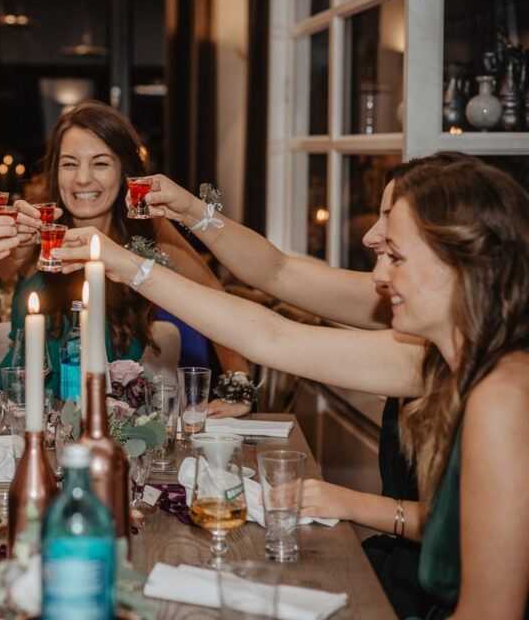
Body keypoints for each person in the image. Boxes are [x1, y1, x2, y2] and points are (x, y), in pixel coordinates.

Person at [54, 160, 529, 620]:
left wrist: (130, 265)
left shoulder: (501, 394)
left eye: (395, 254)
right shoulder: (447, 358)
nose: (378, 272)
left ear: (461, 263)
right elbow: (275, 299)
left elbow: (490, 610)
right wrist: (178, 226)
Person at [143, 152, 476, 617]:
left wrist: (130, 268)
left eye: (389, 222)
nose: (369, 236)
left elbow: (273, 337)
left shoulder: (465, 366)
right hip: (404, 567)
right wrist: (194, 212)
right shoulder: (407, 302)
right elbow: (278, 271)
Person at [0, 100, 252, 417]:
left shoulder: (147, 231)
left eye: (100, 163)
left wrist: (238, 388)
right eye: (69, 164)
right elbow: (0, 267)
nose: (82, 178)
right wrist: (14, 237)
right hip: (22, 413)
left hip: (116, 419)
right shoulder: (38, 224)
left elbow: (217, 300)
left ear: (124, 170)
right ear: (55, 171)